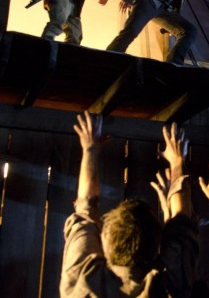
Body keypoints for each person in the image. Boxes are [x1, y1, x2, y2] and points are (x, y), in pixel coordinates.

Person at [60, 112, 198, 297]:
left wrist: (90, 149)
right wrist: (178, 162)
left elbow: (86, 208)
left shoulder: (84, 281)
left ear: (105, 239)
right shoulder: (166, 285)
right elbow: (181, 228)